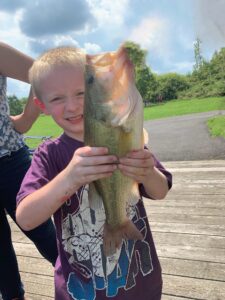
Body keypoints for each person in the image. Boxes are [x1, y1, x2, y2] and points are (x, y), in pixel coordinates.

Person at [16, 46, 172, 300]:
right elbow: (26, 218)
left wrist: (148, 172)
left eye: (81, 93)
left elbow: (161, 190)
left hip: (141, 282)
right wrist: (69, 178)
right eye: (57, 98)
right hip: (82, 290)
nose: (73, 105)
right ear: (41, 105)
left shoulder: (124, 136)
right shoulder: (49, 154)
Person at [0, 42, 58, 300]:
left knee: (44, 235)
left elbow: (43, 73)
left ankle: (89, 288)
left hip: (9, 161)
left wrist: (25, 120)